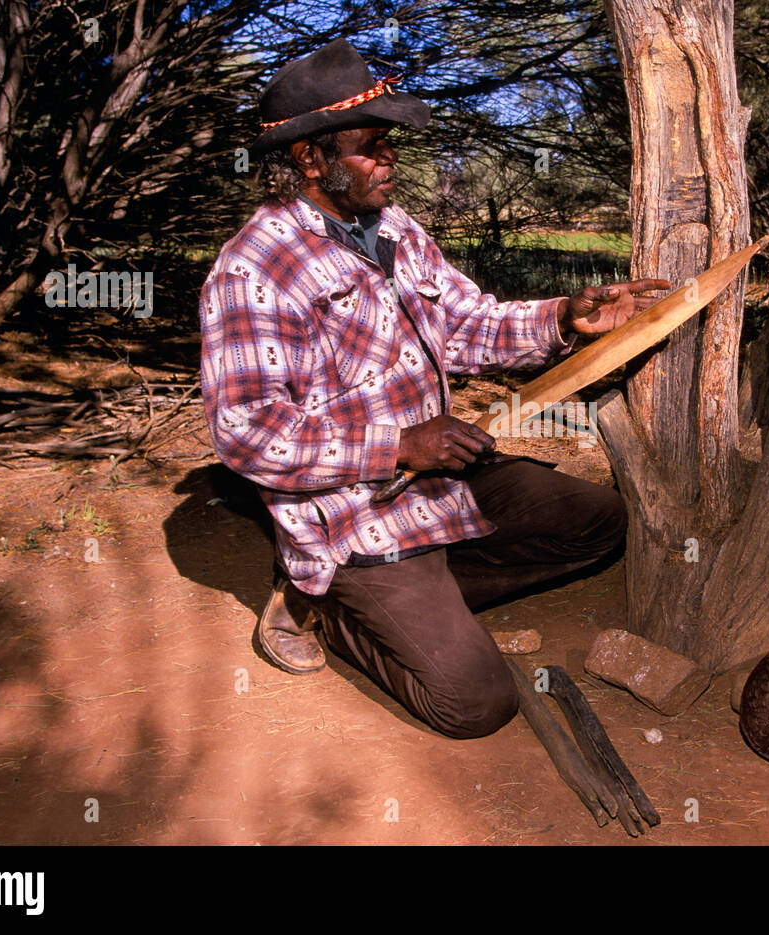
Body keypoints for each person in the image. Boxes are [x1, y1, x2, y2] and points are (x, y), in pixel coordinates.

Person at [199, 38, 669, 739]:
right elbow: (247, 432)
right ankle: (329, 603)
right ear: (308, 158)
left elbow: (465, 324)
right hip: (355, 511)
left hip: (441, 481)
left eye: (390, 144)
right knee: (477, 702)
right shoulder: (253, 271)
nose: (389, 160)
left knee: (600, 522)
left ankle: (414, 594)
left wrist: (562, 317)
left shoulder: (395, 231)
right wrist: (398, 444)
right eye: (370, 146)